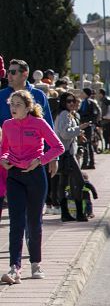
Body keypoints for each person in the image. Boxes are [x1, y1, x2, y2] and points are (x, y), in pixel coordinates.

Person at [0, 90, 65, 283]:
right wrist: (3, 159)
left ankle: (36, 264)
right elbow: (4, 149)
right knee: (16, 222)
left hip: (35, 176)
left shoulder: (39, 123)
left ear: (28, 107)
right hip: (14, 177)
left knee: (34, 222)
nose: (13, 108)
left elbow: (58, 147)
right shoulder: (7, 125)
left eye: (18, 104)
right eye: (12, 104)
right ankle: (14, 268)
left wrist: (40, 160)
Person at [54, 91, 88, 222]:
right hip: (67, 154)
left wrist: (78, 133)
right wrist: (79, 128)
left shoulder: (67, 114)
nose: (72, 103)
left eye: (73, 100)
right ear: (63, 103)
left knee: (63, 183)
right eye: (68, 101)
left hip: (65, 152)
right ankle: (79, 213)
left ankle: (65, 213)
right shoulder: (64, 114)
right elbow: (64, 133)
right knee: (78, 181)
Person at [77, 87, 100, 169]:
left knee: (87, 143)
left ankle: (89, 162)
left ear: (86, 94)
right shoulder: (83, 102)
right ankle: (87, 162)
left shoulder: (90, 103)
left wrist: (89, 122)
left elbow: (94, 115)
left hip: (88, 126)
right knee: (86, 144)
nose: (81, 94)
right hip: (83, 125)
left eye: (82, 93)